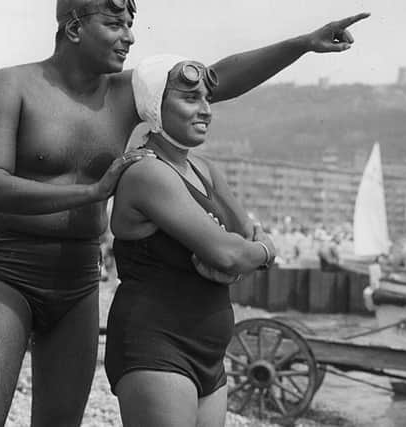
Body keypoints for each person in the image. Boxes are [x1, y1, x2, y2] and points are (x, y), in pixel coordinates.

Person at [0, 1, 369, 425]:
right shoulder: (10, 87)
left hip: (78, 276)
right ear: (75, 27)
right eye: (115, 24)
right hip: (8, 267)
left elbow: (215, 80)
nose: (129, 36)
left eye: (131, 25)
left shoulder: (121, 95)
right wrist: (94, 191)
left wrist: (302, 44)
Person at [103, 55, 276, 427]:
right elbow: (233, 252)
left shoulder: (204, 169)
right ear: (155, 107)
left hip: (210, 354)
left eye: (207, 99)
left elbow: (244, 237)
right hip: (156, 345)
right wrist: (264, 252)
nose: (205, 110)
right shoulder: (148, 172)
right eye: (189, 98)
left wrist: (244, 253)